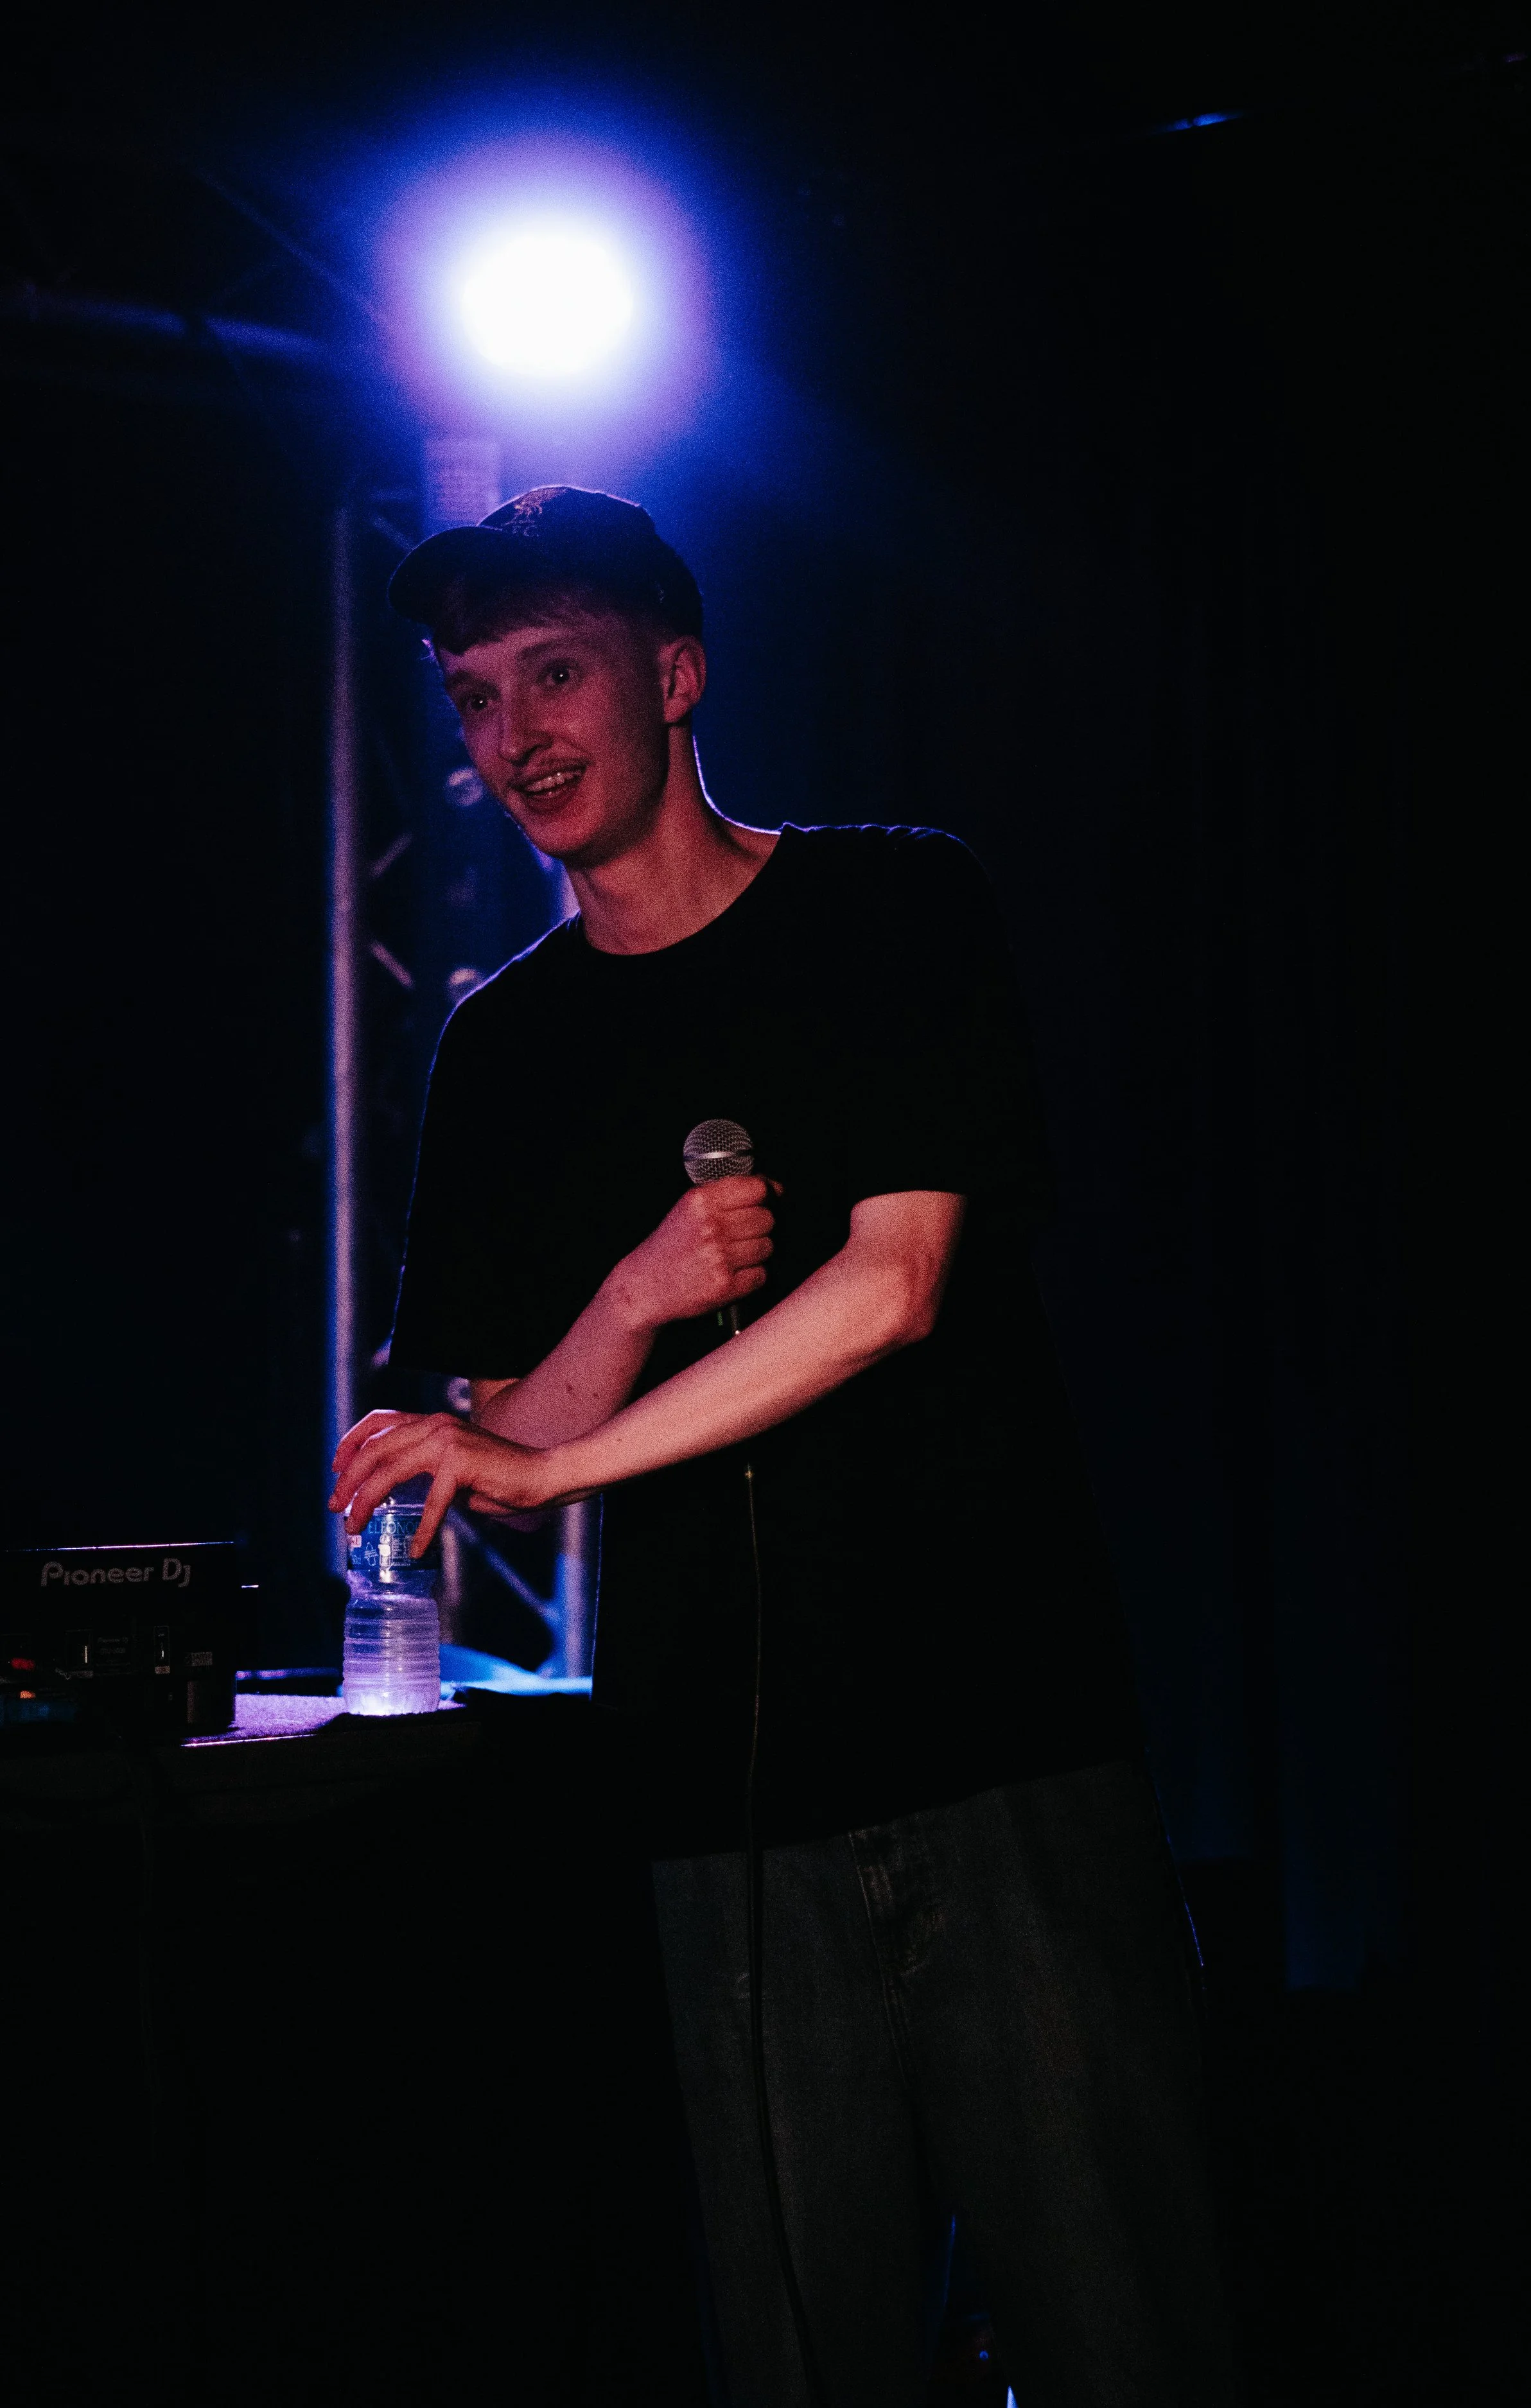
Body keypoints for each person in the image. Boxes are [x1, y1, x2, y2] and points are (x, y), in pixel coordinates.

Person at [329, 485, 1234, 2405]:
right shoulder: (499, 1045)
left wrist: (549, 1464)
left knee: (1124, 2329)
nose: (517, 737)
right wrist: (636, 1291)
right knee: (801, 2355)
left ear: (676, 672)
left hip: (1001, 1750)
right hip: (720, 1813)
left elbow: (894, 1283)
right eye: (476, 698)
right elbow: (502, 1428)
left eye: (556, 672)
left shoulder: (891, 901)